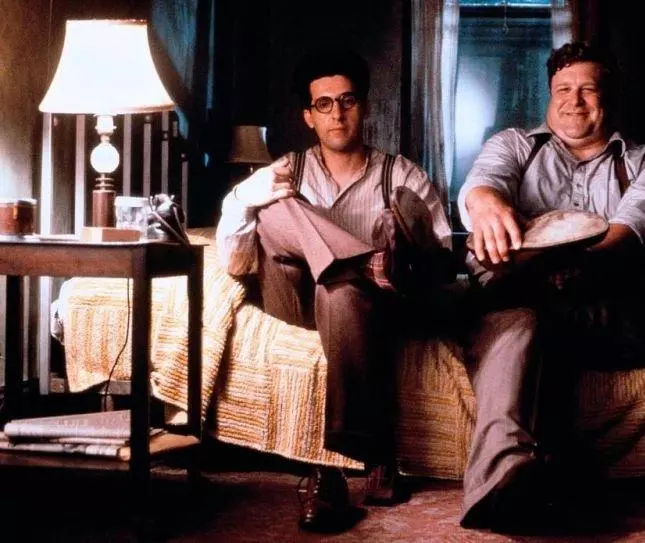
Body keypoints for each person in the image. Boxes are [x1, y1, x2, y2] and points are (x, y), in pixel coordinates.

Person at [216, 47, 454, 532]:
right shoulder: (286, 172)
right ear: (309, 116)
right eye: (323, 104)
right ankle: (362, 263)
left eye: (347, 101)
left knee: (341, 292)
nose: (337, 114)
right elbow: (236, 262)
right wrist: (243, 199)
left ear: (363, 106)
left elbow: (442, 264)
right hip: (293, 300)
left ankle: (337, 462)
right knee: (274, 206)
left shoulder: (401, 175)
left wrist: (409, 245)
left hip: (370, 308)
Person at [456, 41, 645, 534]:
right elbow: (484, 183)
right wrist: (487, 206)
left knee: (534, 312)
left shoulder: (640, 162)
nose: (573, 101)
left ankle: (535, 478)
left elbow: (625, 235)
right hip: (520, 302)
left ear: (609, 96)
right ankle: (506, 489)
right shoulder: (515, 145)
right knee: (520, 322)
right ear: (549, 94)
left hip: (604, 310)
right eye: (563, 89)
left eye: (588, 89)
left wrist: (565, 266)